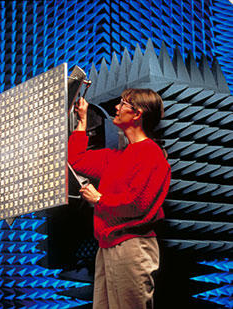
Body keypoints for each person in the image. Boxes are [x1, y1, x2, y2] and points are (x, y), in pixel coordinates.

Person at [68, 88, 171, 309]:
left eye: (123, 103)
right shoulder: (115, 158)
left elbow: (139, 204)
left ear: (137, 114)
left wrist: (99, 199)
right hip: (107, 247)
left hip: (132, 247)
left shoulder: (152, 154)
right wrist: (83, 121)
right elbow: (75, 160)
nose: (117, 107)